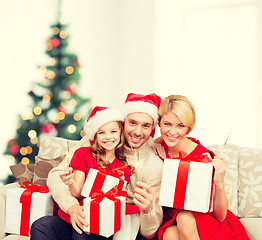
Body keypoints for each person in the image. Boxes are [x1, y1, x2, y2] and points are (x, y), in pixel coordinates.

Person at [31, 93, 164, 240]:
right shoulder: (94, 143)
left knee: (84, 233)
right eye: (132, 123)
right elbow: (56, 177)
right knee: (42, 226)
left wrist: (147, 210)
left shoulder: (153, 164)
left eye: (145, 126)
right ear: (123, 123)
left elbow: (150, 232)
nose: (138, 132)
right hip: (80, 213)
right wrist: (72, 207)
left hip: (115, 226)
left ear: (152, 128)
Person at [153, 95, 250, 240]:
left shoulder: (202, 158)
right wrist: (152, 144)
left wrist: (219, 182)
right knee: (169, 234)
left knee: (184, 217)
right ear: (159, 123)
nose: (172, 132)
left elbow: (220, 216)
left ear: (188, 128)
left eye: (180, 126)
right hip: (175, 219)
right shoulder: (160, 145)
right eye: (167, 124)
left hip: (208, 222)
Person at [59, 106, 134, 240]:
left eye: (113, 131)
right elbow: (77, 193)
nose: (108, 137)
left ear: (120, 134)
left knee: (82, 234)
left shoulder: (124, 168)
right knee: (41, 225)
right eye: (101, 133)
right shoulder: (82, 154)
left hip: (101, 223)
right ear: (95, 135)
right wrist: (70, 183)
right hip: (77, 214)